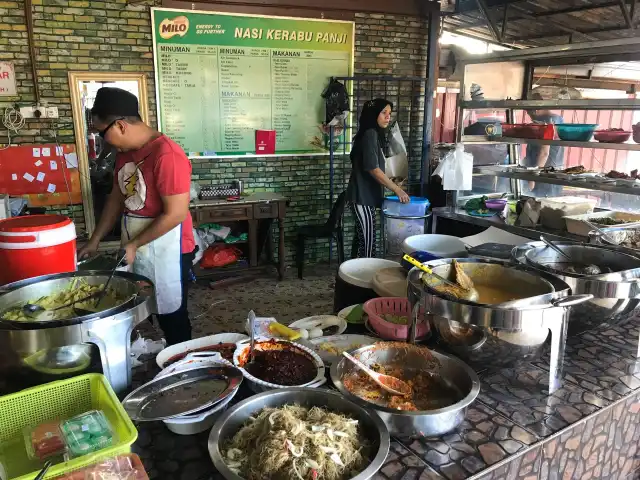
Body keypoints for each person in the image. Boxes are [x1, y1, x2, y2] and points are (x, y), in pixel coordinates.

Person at [78, 87, 195, 346]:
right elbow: (117, 198)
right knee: (139, 305)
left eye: (102, 133)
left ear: (120, 125)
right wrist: (95, 239)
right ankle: (155, 352)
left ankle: (183, 363)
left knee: (171, 312)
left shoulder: (168, 155)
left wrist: (133, 244)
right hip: (137, 243)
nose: (104, 140)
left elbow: (175, 214)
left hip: (169, 246)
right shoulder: (125, 153)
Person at [346, 98, 410, 258]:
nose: (388, 117)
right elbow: (373, 168)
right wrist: (397, 190)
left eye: (389, 113)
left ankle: (349, 278)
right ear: (373, 114)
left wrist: (392, 180)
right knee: (368, 246)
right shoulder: (370, 134)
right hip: (362, 197)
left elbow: (374, 167)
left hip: (365, 197)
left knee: (362, 242)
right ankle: (363, 280)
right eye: (383, 113)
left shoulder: (370, 134)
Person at [523, 92, 565, 197]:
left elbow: (544, 152)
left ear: (536, 110)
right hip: (554, 173)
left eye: (530, 114)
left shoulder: (546, 122)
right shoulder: (558, 119)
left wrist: (533, 178)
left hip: (543, 175)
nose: (531, 119)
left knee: (537, 207)